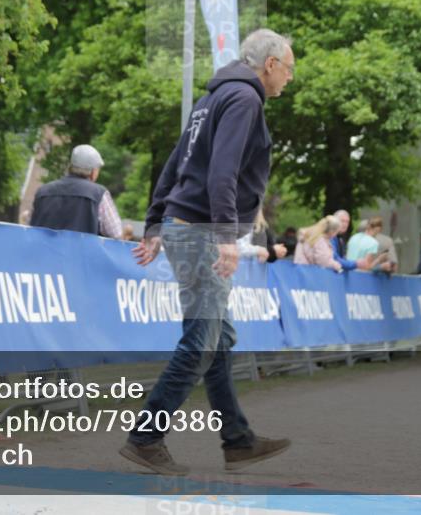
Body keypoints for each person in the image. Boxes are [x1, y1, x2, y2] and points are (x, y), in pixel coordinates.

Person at [122, 28, 295, 475]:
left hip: (185, 224)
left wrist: (157, 221)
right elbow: (223, 172)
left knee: (218, 338)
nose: (290, 80)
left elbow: (175, 162)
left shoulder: (210, 100)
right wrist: (225, 236)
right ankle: (146, 435)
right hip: (202, 231)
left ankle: (237, 439)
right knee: (202, 340)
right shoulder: (245, 99)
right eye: (289, 69)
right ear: (270, 64)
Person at [30, 144, 122, 238]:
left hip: (45, 252)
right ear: (93, 171)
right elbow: (116, 232)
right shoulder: (99, 193)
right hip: (81, 252)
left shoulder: (42, 192)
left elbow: (30, 226)